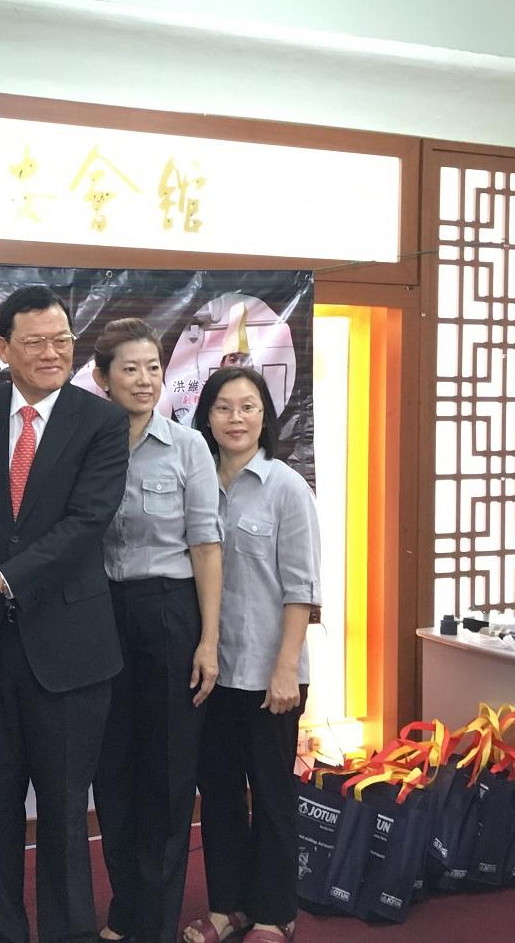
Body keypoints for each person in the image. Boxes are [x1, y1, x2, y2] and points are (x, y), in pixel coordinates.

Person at [0, 284, 129, 943]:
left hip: (70, 649)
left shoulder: (99, 423)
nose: (52, 353)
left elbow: (86, 522)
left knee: (66, 813)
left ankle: (69, 932)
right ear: (2, 348)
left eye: (62, 340)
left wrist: (5, 578)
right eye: (35, 342)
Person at [89, 319, 221, 943]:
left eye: (153, 368)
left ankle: (157, 925)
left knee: (168, 774)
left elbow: (205, 547)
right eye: (130, 369)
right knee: (111, 771)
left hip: (169, 612)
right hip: (99, 612)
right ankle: (126, 911)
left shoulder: (188, 446)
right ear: (102, 378)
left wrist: (208, 640)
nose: (145, 381)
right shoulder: (88, 443)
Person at [181, 366, 321, 943]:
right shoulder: (194, 480)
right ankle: (227, 905)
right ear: (205, 417)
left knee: (270, 793)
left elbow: (302, 589)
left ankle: (274, 912)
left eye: (247, 407)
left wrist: (285, 668)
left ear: (265, 415)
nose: (235, 419)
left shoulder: (287, 486)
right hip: (211, 669)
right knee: (215, 793)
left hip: (270, 672)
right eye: (222, 408)